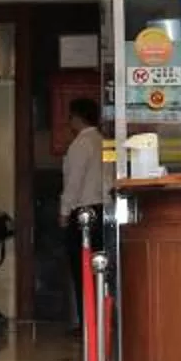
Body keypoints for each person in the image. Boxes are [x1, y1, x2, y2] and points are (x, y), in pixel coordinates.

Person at [58, 95, 111, 314]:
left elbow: (74, 181)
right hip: (104, 210)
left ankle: (86, 322)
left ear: (77, 118)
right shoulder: (103, 142)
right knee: (100, 269)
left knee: (82, 269)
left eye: (70, 117)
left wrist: (64, 211)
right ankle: (99, 319)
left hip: (84, 213)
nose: (69, 122)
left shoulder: (81, 144)